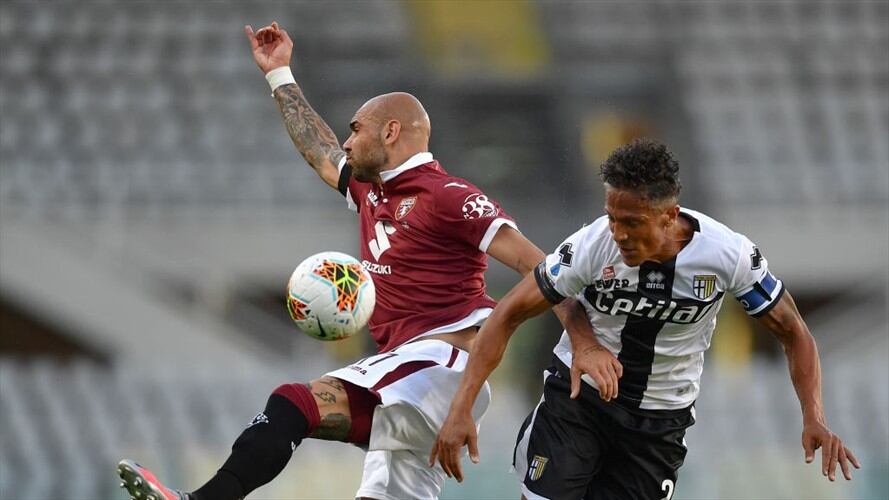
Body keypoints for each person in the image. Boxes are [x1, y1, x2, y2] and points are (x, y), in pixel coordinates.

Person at [117, 21, 583, 500]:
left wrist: (583, 342)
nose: (346, 141)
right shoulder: (371, 191)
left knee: (294, 403)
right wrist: (280, 75)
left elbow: (544, 269)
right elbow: (320, 151)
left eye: (356, 130)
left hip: (441, 366)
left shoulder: (448, 196)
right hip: (408, 373)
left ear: (392, 131)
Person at [430, 139, 861, 499]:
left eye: (632, 223)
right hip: (580, 401)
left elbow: (794, 332)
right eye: (613, 218)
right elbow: (507, 314)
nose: (618, 234)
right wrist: (461, 408)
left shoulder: (727, 256)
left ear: (670, 216)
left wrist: (814, 417)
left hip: (660, 420)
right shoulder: (590, 246)